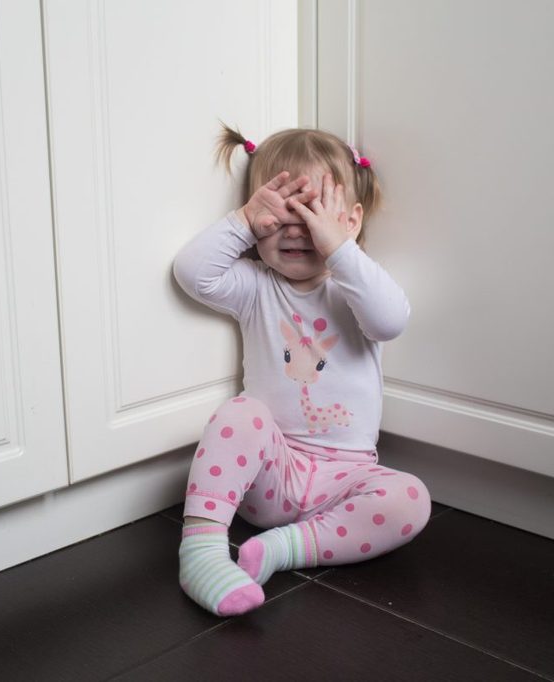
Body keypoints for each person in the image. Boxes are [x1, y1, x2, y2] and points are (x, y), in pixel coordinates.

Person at [172, 125, 431, 616]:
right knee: (241, 413)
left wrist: (341, 250)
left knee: (411, 499)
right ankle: (201, 550)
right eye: (280, 212)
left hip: (346, 484)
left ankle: (282, 549)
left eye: (313, 214)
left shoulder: (353, 288)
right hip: (269, 478)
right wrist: (245, 222)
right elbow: (192, 272)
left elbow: (391, 320)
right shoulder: (256, 287)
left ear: (350, 222)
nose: (296, 228)